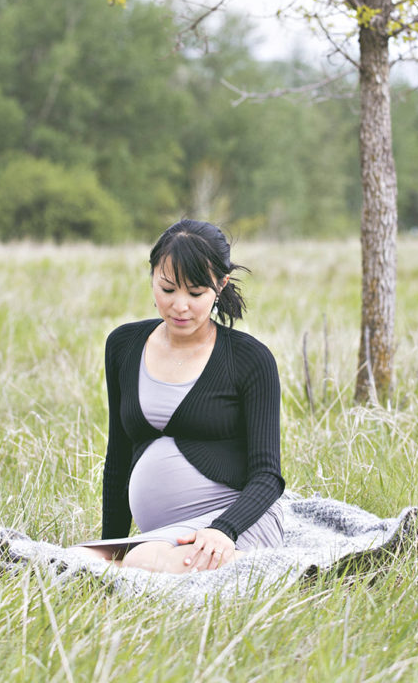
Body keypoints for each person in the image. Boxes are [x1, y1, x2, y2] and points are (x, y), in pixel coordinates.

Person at [76, 219, 285, 573]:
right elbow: (118, 458)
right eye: (168, 289)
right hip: (164, 535)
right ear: (153, 277)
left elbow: (268, 476)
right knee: (80, 560)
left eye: (196, 292)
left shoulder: (250, 359)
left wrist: (224, 530)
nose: (180, 306)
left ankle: (262, 568)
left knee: (142, 561)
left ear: (220, 286)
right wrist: (109, 551)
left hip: (236, 523)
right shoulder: (123, 346)